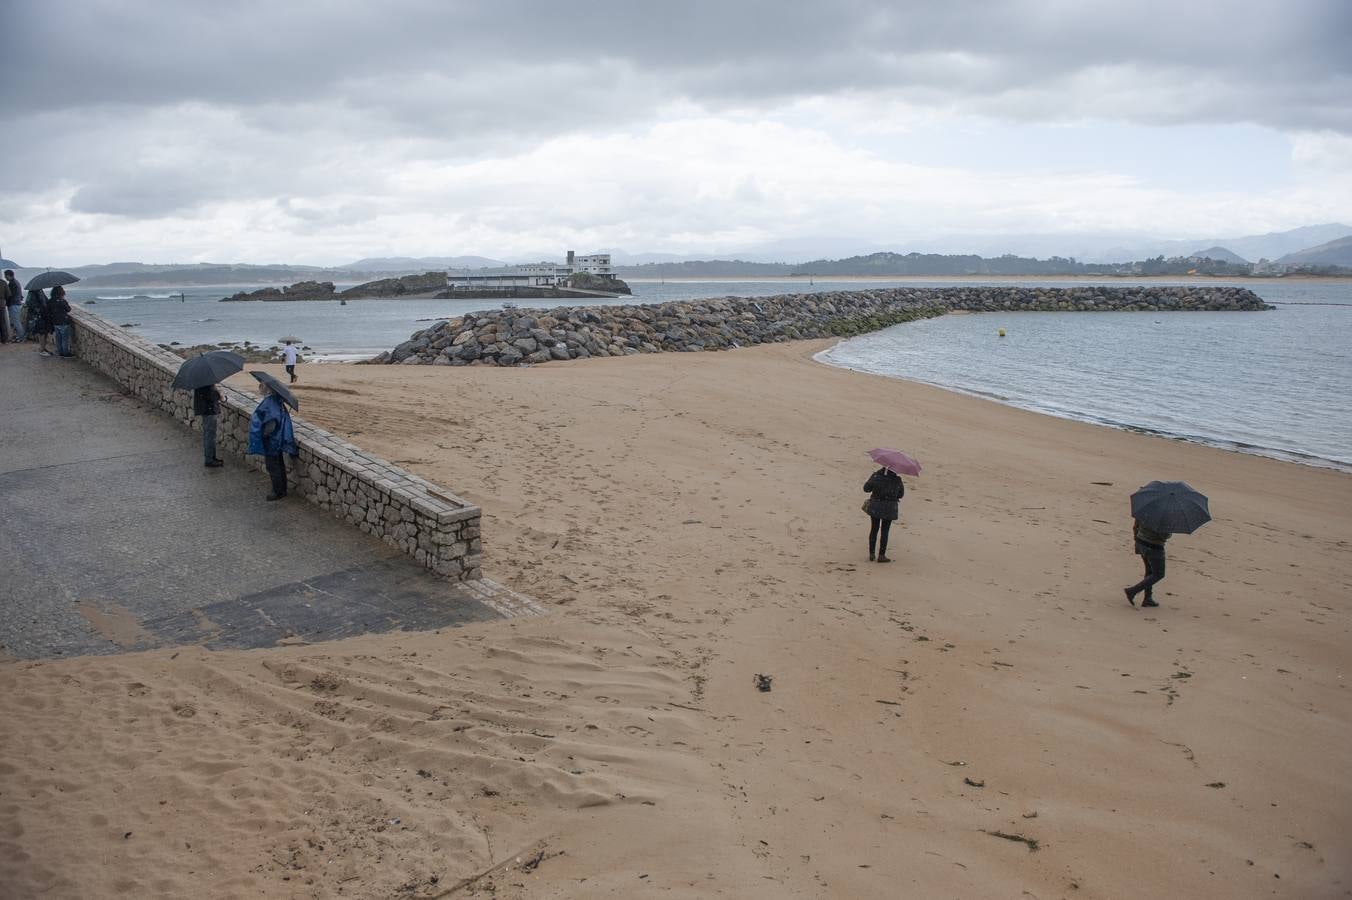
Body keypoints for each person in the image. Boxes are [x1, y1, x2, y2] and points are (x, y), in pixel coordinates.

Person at [248, 380, 297, 501]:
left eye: (262, 385)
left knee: (273, 465)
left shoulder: (269, 403)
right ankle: (282, 489)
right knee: (279, 464)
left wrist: (264, 435)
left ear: (268, 389)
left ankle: (278, 491)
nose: (260, 387)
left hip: (272, 440)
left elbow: (271, 423)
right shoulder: (276, 400)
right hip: (277, 439)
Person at [1125, 519, 1169, 608]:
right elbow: (1164, 535)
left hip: (1140, 542)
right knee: (1159, 574)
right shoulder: (1165, 518)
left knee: (1149, 571)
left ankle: (1148, 598)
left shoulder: (1146, 511)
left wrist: (1136, 537)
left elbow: (1135, 525)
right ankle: (1132, 591)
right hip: (1154, 547)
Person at [863, 465, 904, 562]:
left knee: (874, 528)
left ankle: (872, 553)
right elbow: (901, 495)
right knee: (885, 531)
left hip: (876, 506)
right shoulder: (897, 480)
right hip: (889, 508)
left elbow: (866, 489)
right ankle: (881, 555)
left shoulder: (876, 476)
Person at [194, 383, 225, 467]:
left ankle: (211, 457)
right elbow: (211, 397)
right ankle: (209, 460)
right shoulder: (207, 383)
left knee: (208, 435)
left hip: (206, 410)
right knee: (210, 436)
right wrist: (220, 394)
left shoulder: (201, 380)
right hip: (209, 411)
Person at [48, 285, 73, 357]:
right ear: (61, 293)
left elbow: (49, 310)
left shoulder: (50, 301)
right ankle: (66, 353)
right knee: (64, 339)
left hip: (55, 322)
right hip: (63, 322)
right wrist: (63, 300)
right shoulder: (62, 301)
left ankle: (60, 352)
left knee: (58, 338)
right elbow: (68, 309)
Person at [25, 289, 51, 355]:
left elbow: (44, 301)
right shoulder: (35, 292)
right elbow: (41, 303)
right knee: (42, 333)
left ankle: (43, 348)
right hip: (39, 316)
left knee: (43, 333)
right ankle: (42, 350)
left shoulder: (36, 291)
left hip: (40, 316)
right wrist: (39, 310)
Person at [3, 270, 22, 342]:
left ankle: (20, 337)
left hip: (14, 304)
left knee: (16, 322)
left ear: (8, 275)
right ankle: (18, 336)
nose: (5, 277)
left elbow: (10, 295)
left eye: (5, 276)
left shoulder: (12, 283)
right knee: (16, 321)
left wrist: (6, 301)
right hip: (17, 304)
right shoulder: (16, 282)